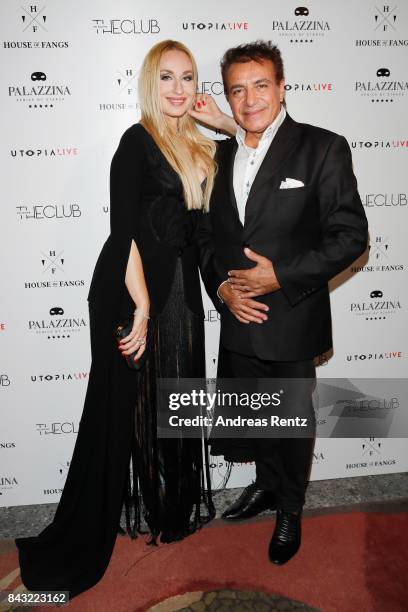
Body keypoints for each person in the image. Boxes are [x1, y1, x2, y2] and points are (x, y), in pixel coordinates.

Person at [15, 40, 234, 600]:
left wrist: (224, 122)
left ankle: (171, 507)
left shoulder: (198, 146)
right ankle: (96, 526)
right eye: (167, 78)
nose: (180, 89)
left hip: (182, 292)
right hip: (129, 291)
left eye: (188, 77)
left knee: (177, 398)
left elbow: (251, 147)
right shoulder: (134, 144)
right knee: (122, 413)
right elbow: (124, 236)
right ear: (148, 83)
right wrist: (140, 306)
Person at [196, 41, 368, 565]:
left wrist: (281, 276)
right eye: (237, 89)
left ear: (282, 87)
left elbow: (350, 236)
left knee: (292, 422)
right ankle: (267, 486)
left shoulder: (323, 147)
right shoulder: (220, 154)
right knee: (253, 416)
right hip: (238, 317)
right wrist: (221, 289)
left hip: (291, 315)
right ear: (228, 95)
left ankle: (290, 507)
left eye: (261, 85)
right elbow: (204, 237)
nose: (250, 100)